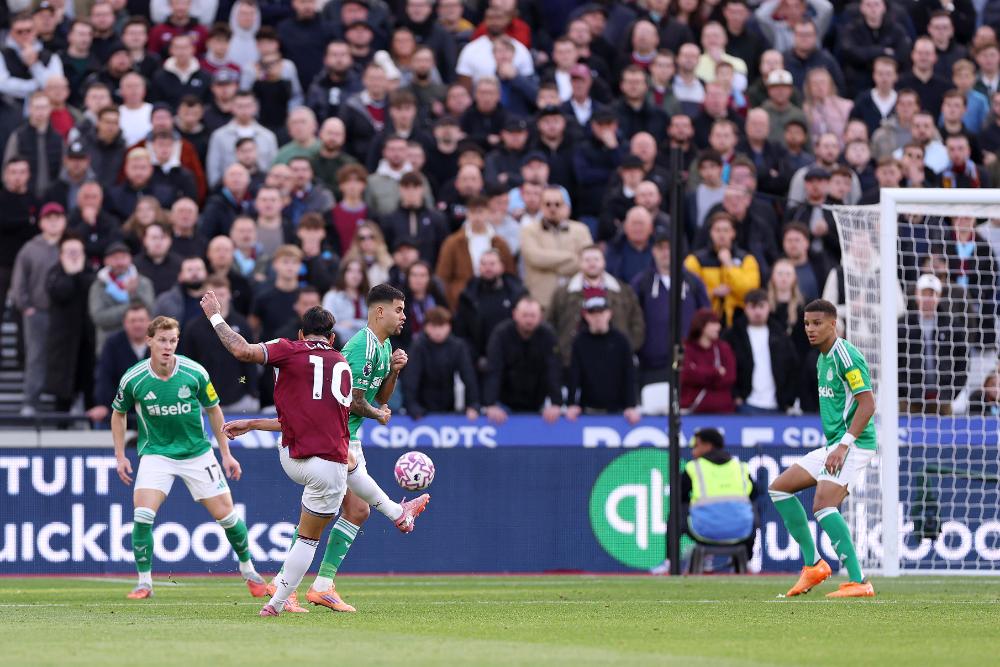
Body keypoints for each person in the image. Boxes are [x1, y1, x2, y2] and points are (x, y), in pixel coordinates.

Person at [220, 283, 429, 612]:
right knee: (325, 517)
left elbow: (380, 399)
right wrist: (377, 414)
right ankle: (297, 586)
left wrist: (392, 373)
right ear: (379, 311)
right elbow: (352, 404)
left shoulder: (385, 348)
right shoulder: (358, 347)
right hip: (335, 437)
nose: (404, 316)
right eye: (399, 310)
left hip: (337, 438)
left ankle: (319, 584)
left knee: (351, 512)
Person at [111, 315, 265, 600]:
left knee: (228, 517)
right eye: (161, 340)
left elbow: (214, 410)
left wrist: (226, 454)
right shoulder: (134, 378)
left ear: (177, 342)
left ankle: (249, 570)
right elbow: (118, 413)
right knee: (143, 515)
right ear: (149, 342)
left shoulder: (194, 373)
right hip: (156, 454)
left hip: (197, 453)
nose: (167, 346)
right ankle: (144, 582)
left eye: (172, 341)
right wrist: (120, 456)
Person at [768, 298, 878, 599]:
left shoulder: (845, 355)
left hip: (854, 444)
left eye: (817, 323)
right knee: (779, 488)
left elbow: (867, 404)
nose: (810, 329)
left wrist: (843, 446)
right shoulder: (822, 358)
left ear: (833, 323)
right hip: (835, 444)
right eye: (806, 323)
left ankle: (859, 581)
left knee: (823, 505)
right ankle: (813, 565)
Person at [548, 244, 645, 369]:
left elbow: (637, 323)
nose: (592, 263)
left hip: (614, 360)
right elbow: (550, 322)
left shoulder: (623, 291)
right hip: (573, 360)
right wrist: (560, 349)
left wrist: (627, 347)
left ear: (604, 262)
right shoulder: (563, 293)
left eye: (596, 259)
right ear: (579, 263)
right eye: (587, 260)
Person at [11, 202, 67, 415]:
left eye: (58, 217)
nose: (53, 222)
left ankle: (65, 402)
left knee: (65, 357)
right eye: (49, 218)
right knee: (36, 357)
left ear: (64, 221)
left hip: (65, 313)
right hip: (39, 311)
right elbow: (19, 281)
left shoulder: (70, 244)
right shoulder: (30, 248)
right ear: (41, 222)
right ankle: (30, 402)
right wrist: (25, 306)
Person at [482, 295, 562, 424]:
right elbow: (494, 370)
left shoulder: (548, 335)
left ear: (540, 317)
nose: (529, 320)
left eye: (533, 316)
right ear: (515, 314)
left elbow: (553, 370)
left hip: (538, 402)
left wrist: (556, 403)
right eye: (525, 315)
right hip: (505, 402)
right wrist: (490, 404)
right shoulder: (501, 334)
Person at [681, 428, 757, 561]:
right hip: (742, 531)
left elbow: (679, 496)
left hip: (703, 530)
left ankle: (670, 563)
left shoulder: (693, 467)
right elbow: (755, 494)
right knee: (753, 507)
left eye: (696, 446)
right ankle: (748, 560)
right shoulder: (740, 466)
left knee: (677, 510)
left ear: (708, 445)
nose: (693, 451)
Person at [899, 274, 968, 414]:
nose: (928, 299)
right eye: (924, 294)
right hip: (910, 401)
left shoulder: (952, 326)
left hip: (943, 400)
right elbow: (896, 362)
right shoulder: (902, 325)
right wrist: (906, 392)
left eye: (932, 294)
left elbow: (963, 362)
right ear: (916, 295)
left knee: (946, 435)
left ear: (939, 296)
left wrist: (949, 394)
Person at [565, 295, 640, 425]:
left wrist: (631, 405)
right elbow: (574, 374)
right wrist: (571, 404)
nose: (597, 317)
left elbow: (629, 374)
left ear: (609, 314)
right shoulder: (579, 341)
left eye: (601, 312)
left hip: (618, 411)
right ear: (586, 316)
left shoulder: (621, 341)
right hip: (587, 410)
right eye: (592, 313)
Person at [724, 289, 799, 414]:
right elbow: (727, 367)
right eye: (753, 307)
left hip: (777, 405)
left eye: (761, 306)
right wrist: (735, 395)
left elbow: (792, 367)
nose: (757, 311)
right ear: (745, 308)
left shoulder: (780, 334)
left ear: (768, 307)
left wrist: (788, 399)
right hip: (746, 404)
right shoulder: (733, 335)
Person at [519, 186, 594, 311]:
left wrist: (549, 264)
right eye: (547, 204)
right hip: (541, 301)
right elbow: (535, 258)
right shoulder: (529, 231)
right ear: (541, 206)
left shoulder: (581, 230)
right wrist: (570, 257)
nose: (552, 208)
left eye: (557, 204)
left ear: (566, 206)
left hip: (575, 301)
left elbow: (586, 261)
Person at [45, 234, 96, 413]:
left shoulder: (90, 272)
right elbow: (61, 292)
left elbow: (91, 288)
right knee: (63, 391)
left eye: (77, 252)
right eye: (69, 252)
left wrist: (78, 273)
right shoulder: (55, 273)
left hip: (88, 340)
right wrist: (71, 274)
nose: (74, 256)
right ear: (61, 255)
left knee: (91, 388)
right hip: (63, 341)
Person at [684, 212, 761, 326]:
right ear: (711, 233)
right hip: (706, 322)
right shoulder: (696, 260)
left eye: (726, 230)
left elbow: (750, 292)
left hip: (738, 323)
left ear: (733, 233)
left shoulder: (746, 259)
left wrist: (729, 265)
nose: (722, 235)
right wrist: (713, 292)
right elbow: (688, 292)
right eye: (717, 230)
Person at [402, 306, 480, 419]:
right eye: (434, 326)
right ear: (426, 328)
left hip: (448, 407)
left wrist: (473, 404)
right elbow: (411, 379)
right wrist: (412, 406)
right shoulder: (418, 347)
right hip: (422, 408)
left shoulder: (458, 347)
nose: (438, 331)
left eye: (442, 326)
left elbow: (468, 376)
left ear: (449, 327)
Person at [680, 308, 737, 414]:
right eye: (714, 323)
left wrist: (699, 373)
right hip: (694, 412)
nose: (718, 327)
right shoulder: (685, 348)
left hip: (723, 412)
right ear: (701, 325)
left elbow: (730, 377)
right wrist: (716, 372)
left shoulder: (724, 348)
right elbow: (686, 375)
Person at [323, 258, 370, 345]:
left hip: (366, 345)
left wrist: (351, 323)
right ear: (343, 273)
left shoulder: (368, 297)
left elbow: (374, 326)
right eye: (350, 271)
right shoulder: (332, 296)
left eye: (359, 271)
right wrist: (362, 327)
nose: (355, 275)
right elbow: (329, 327)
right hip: (340, 345)